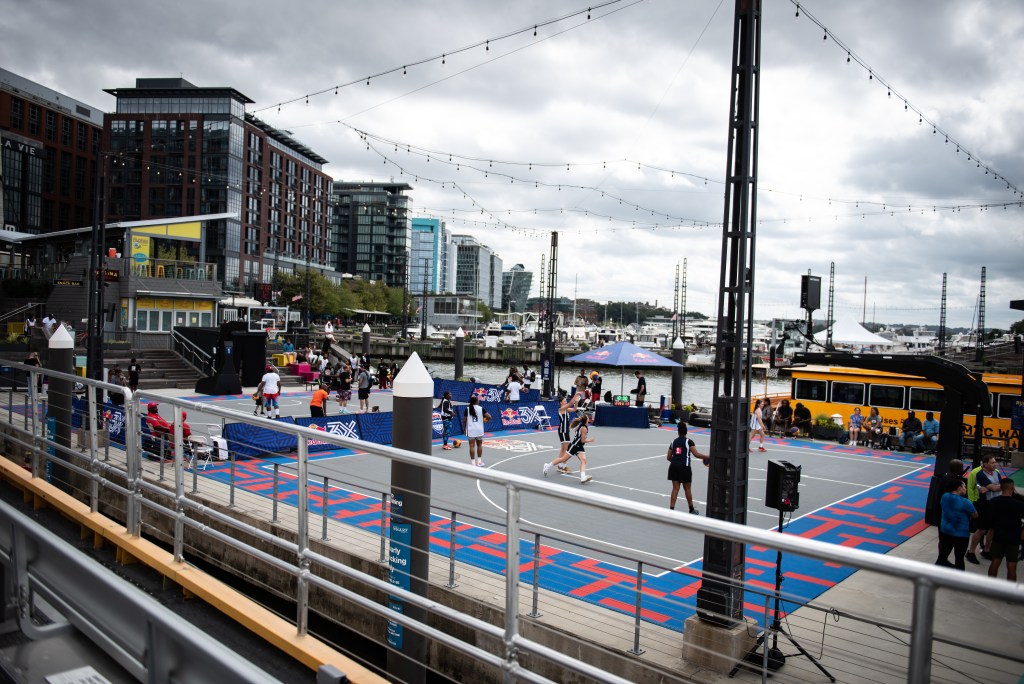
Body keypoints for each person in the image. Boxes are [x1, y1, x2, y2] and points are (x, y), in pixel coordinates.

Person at [967, 455, 1006, 564]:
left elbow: (999, 486)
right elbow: (995, 487)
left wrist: (991, 488)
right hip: (985, 505)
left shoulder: (996, 472)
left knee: (992, 529)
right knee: (982, 529)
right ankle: (970, 552)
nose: (995, 464)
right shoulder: (980, 474)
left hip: (996, 504)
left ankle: (986, 550)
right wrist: (994, 487)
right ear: (985, 464)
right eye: (992, 462)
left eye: (995, 462)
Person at [985, 478, 1024, 581]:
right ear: (1012, 488)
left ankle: (990, 585)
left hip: (998, 535)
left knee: (995, 561)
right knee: (1011, 565)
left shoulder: (993, 502)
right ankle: (1010, 588)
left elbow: (989, 520)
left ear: (1001, 488)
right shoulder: (1019, 504)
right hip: (1013, 537)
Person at [666, 422, 709, 514]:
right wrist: (707, 457)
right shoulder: (689, 442)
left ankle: (671, 510)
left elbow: (668, 457)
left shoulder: (673, 442)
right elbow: (696, 454)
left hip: (673, 466)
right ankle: (691, 509)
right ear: (686, 432)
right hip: (684, 467)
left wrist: (676, 461)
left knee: (675, 488)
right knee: (687, 489)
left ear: (678, 432)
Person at [935, 478, 977, 570]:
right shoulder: (966, 502)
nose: (965, 488)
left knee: (942, 557)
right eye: (964, 486)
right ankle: (957, 573)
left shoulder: (945, 496)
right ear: (959, 488)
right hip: (961, 535)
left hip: (946, 531)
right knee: (959, 559)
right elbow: (975, 515)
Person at [543, 392, 581, 476]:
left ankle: (560, 466)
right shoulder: (561, 409)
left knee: (563, 449)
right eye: (564, 401)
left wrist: (576, 402)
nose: (565, 402)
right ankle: (561, 466)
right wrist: (576, 395)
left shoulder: (566, 409)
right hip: (563, 431)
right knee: (567, 450)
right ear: (561, 403)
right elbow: (570, 403)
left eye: (565, 401)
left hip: (566, 431)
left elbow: (574, 409)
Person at [565, 413, 595, 484]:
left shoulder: (581, 425)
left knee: (584, 461)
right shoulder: (584, 428)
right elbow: (583, 440)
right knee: (563, 459)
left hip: (579, 446)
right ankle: (548, 466)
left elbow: (575, 430)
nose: (589, 418)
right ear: (586, 420)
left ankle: (583, 477)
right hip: (575, 446)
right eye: (588, 418)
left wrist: (577, 435)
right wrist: (590, 440)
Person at [464, 395, 490, 467]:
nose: (479, 401)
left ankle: (473, 463)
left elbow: (464, 420)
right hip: (479, 430)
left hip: (471, 430)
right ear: (476, 401)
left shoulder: (467, 409)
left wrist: (464, 429)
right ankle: (479, 462)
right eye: (478, 400)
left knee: (471, 446)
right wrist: (486, 420)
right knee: (479, 445)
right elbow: (489, 416)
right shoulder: (481, 408)